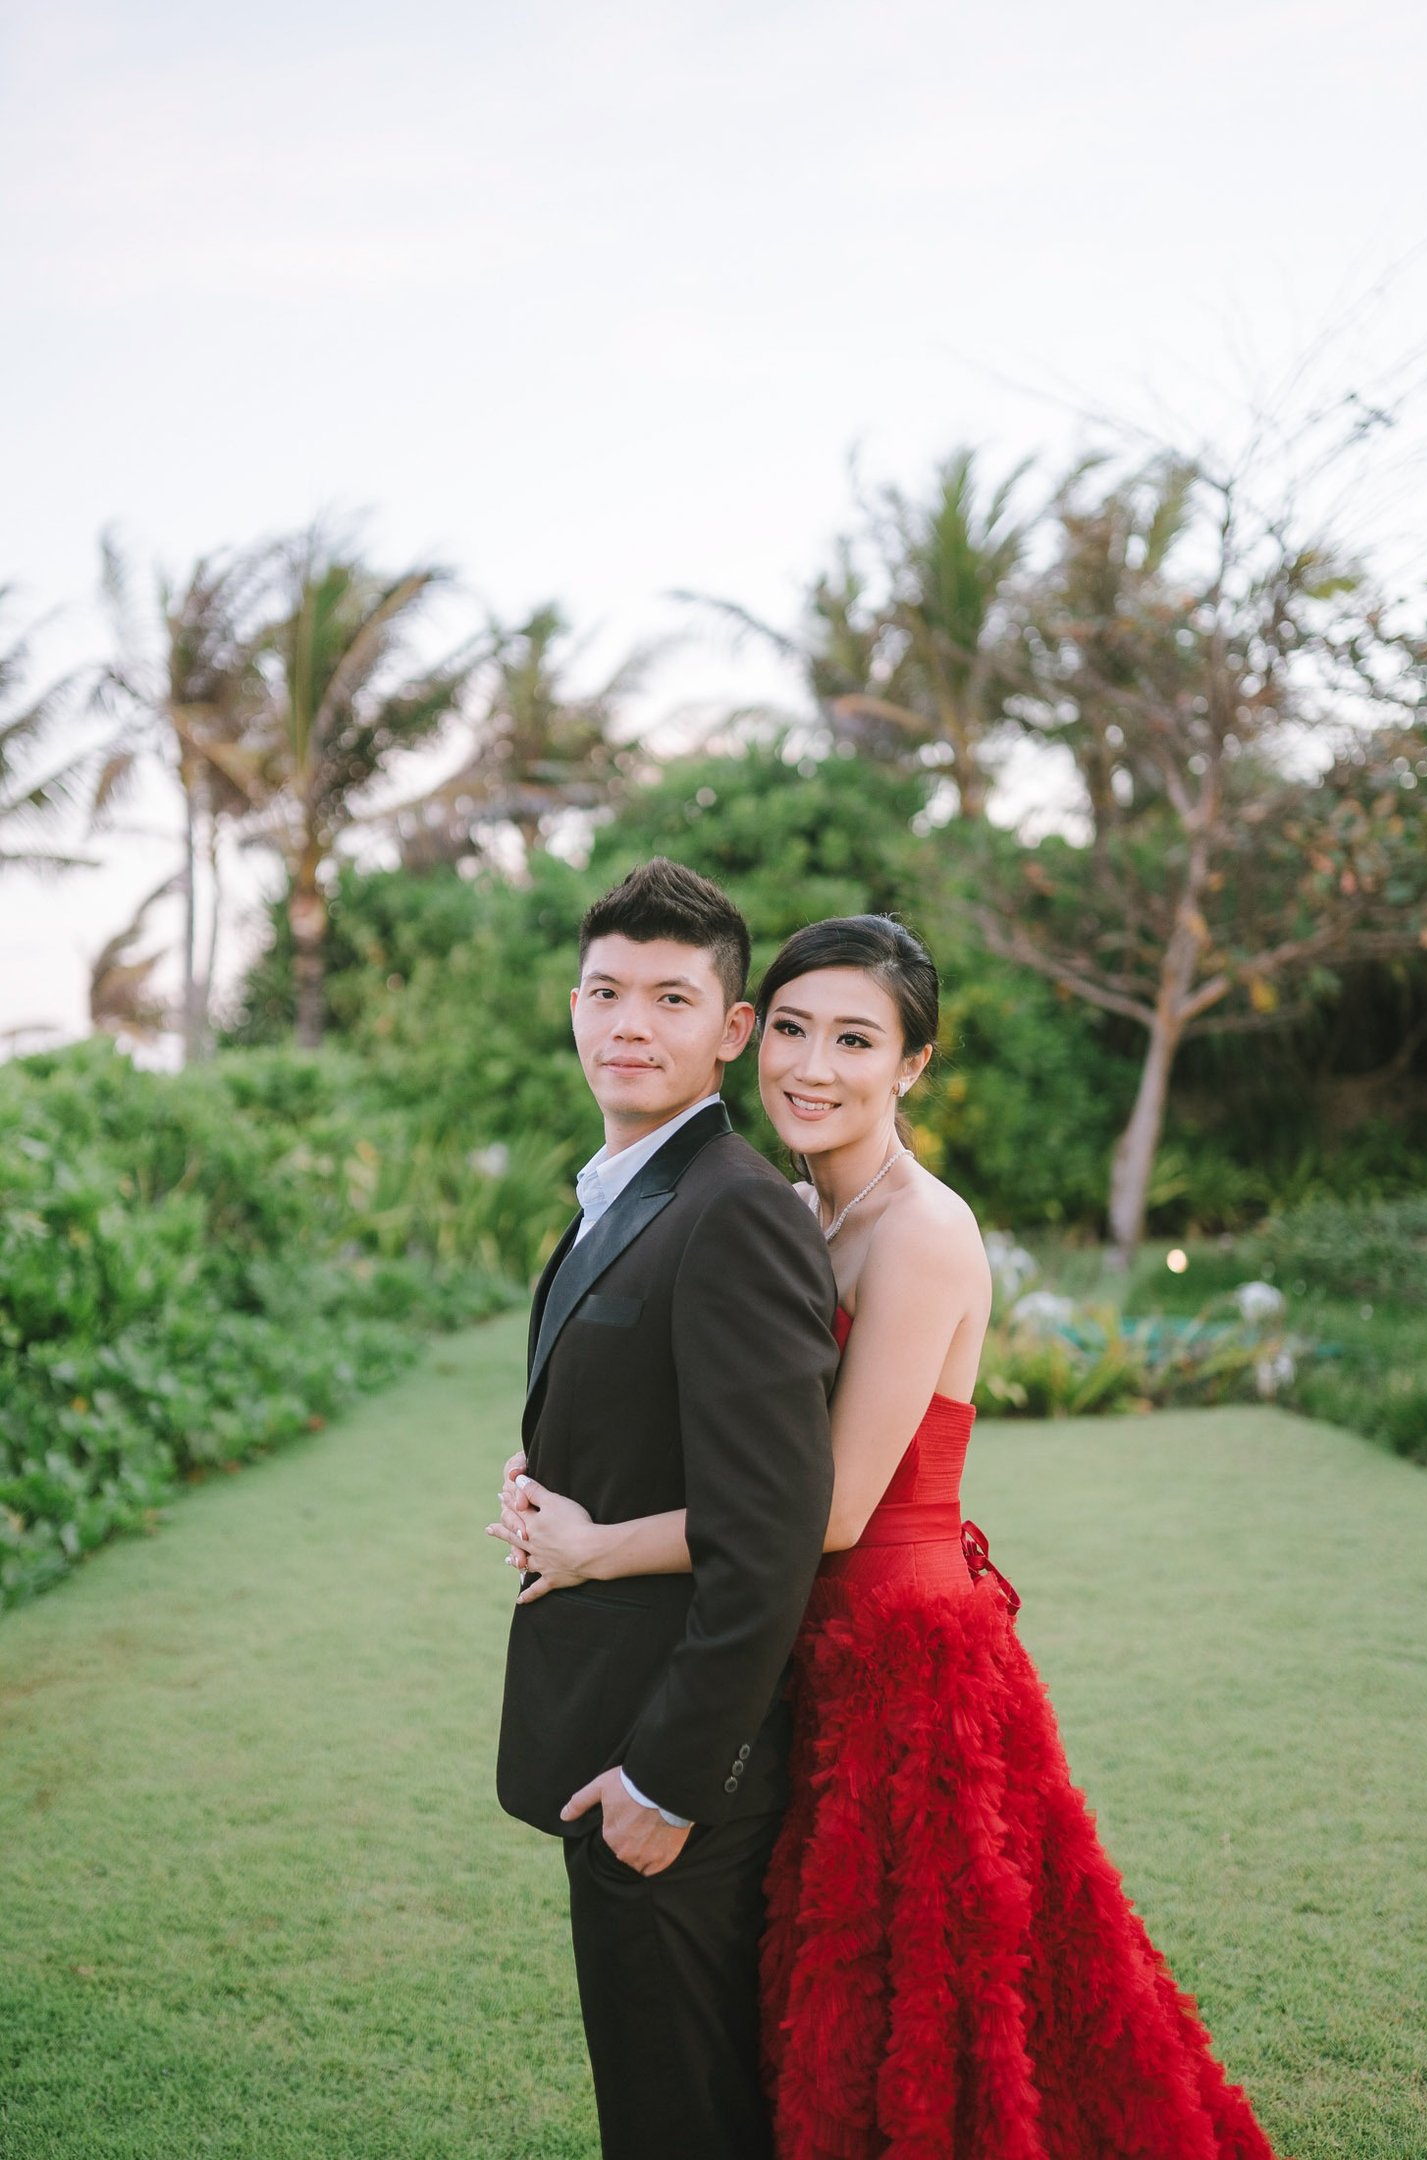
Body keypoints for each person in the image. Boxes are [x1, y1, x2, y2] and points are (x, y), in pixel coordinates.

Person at [493, 912, 1283, 2160]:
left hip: (898, 1656)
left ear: (913, 1065)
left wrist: (598, 1548)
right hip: (806, 1644)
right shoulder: (796, 1211)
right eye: (794, 1031)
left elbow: (830, 1510)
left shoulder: (921, 1232)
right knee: (807, 2025)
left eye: (855, 1039)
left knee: (925, 2022)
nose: (812, 1067)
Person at [494, 857, 838, 2160]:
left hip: (668, 1770)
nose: (628, 1022)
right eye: (604, 991)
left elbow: (769, 1533)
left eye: (671, 998)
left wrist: (669, 1782)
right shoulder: (628, 1190)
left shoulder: (734, 1211)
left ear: (731, 1031)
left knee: (683, 2121)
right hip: (606, 1734)